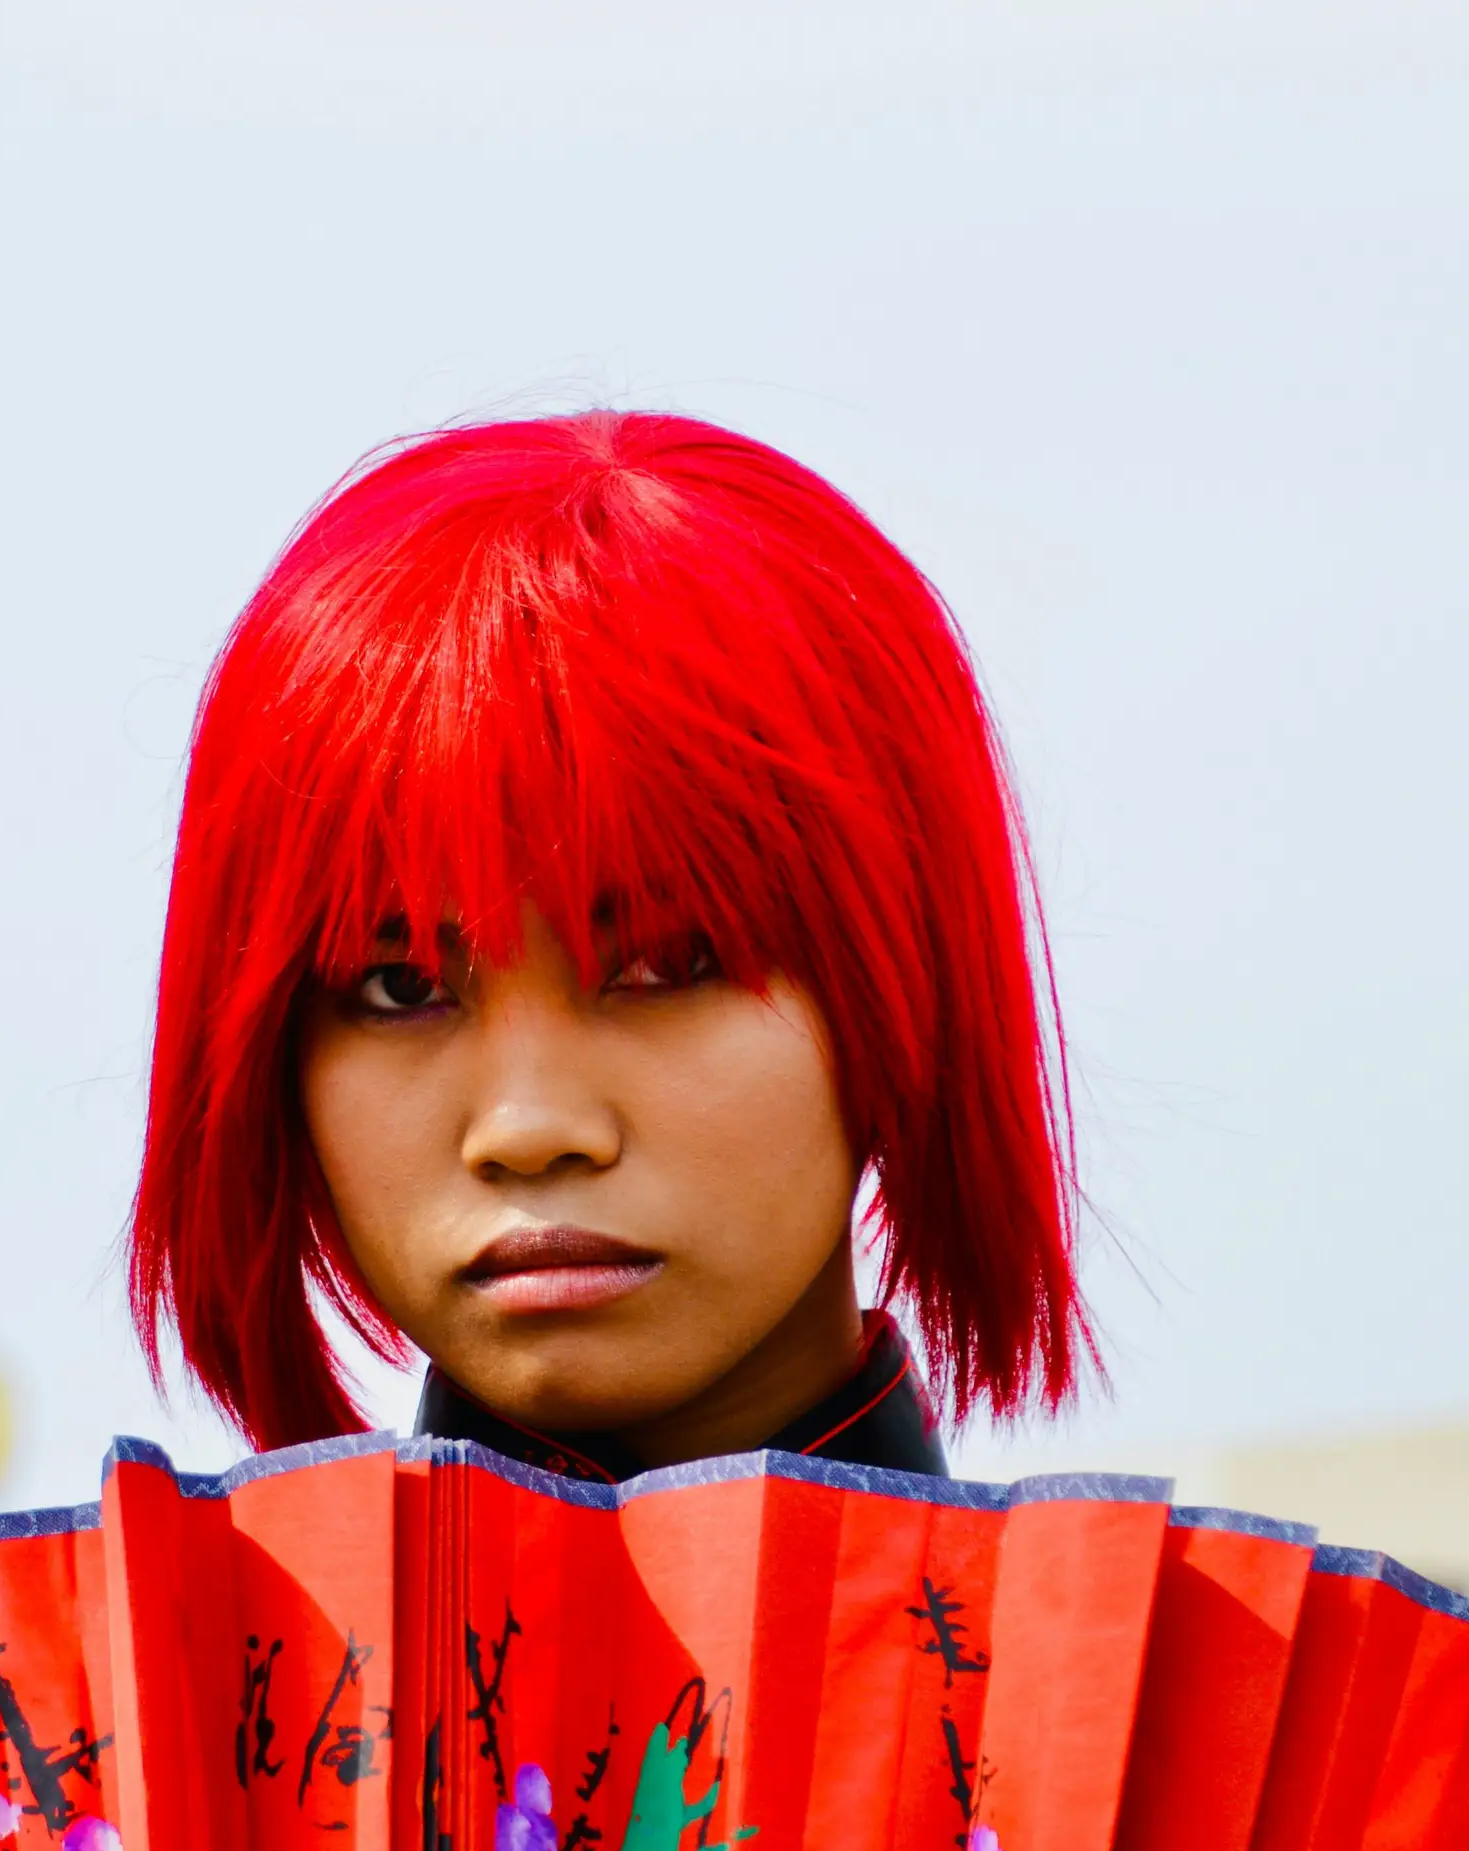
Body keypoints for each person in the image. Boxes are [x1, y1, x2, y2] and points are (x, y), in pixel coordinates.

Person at [128, 409, 1093, 1487]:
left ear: (907, 985)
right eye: (398, 987)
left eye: (670, 965)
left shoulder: (1199, 1659)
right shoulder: (97, 1660)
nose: (530, 1129)